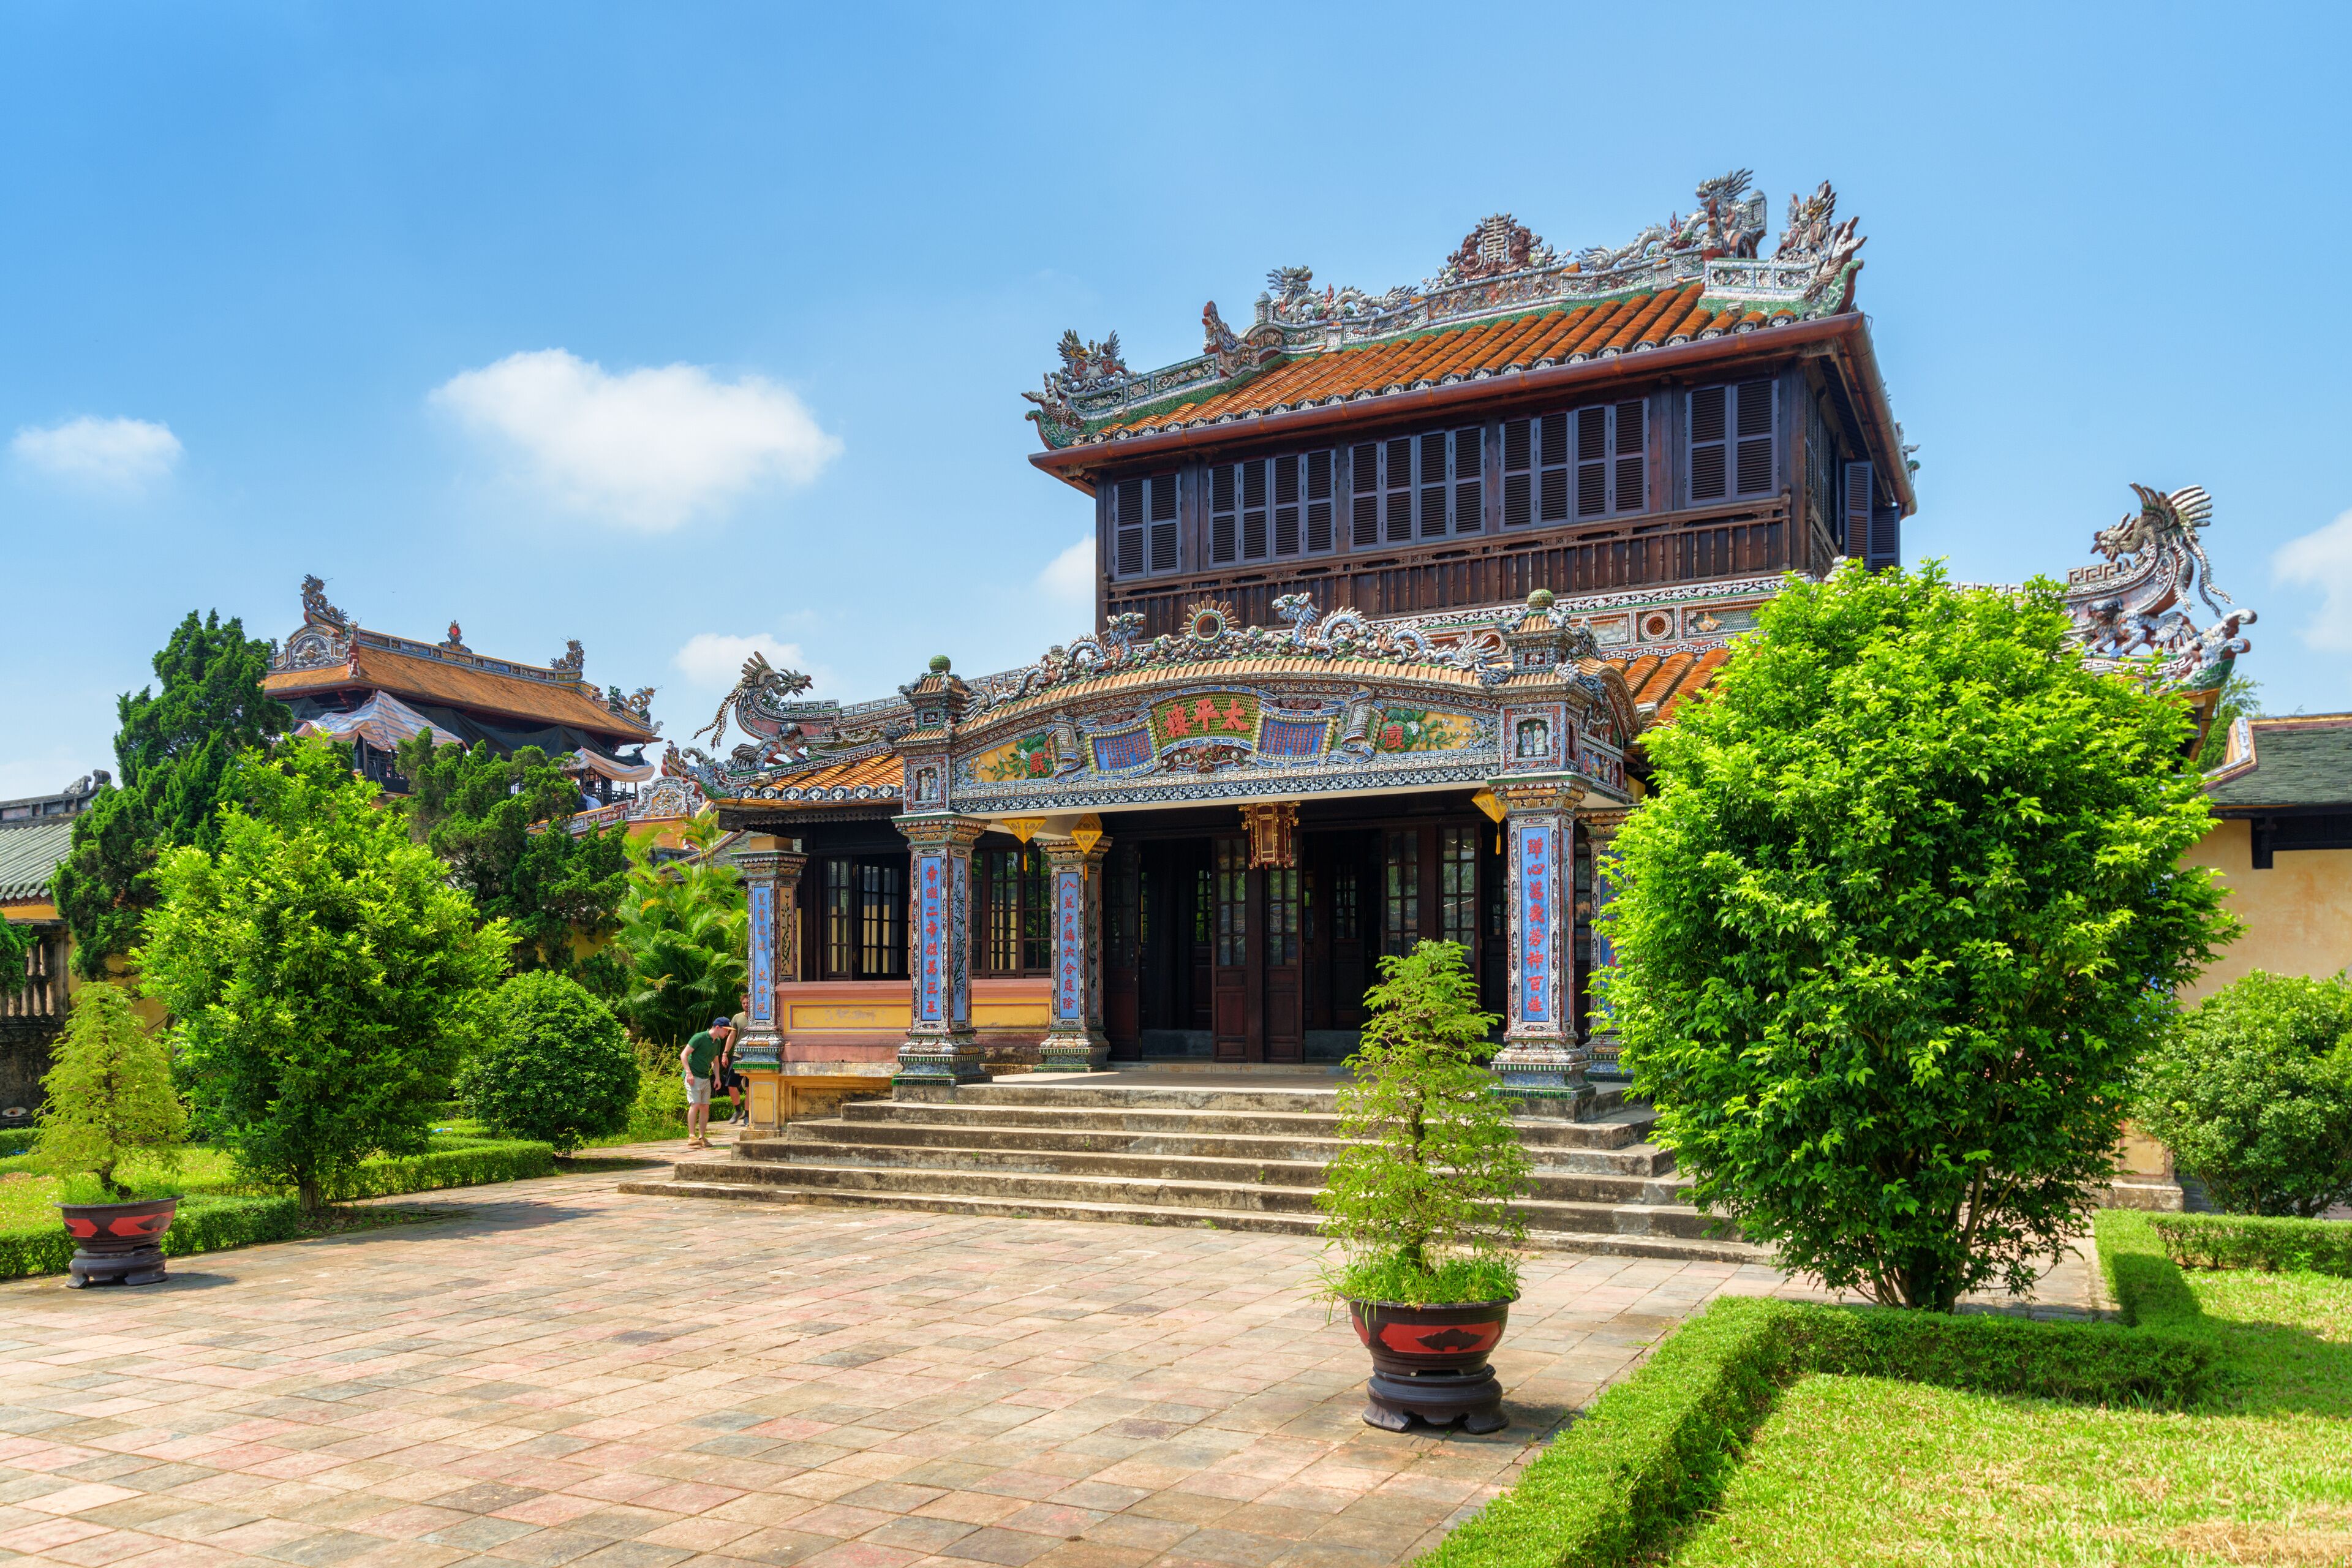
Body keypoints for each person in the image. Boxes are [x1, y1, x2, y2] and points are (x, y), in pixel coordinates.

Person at [679, 1016, 732, 1149]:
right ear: (718, 1028)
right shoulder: (700, 1037)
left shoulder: (717, 1042)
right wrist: (689, 1073)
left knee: (705, 1107)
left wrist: (718, 1078)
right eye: (726, 1030)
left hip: (705, 1077)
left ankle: (702, 1137)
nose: (727, 1034)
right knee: (695, 1104)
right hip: (693, 1076)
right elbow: (684, 1055)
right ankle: (691, 1136)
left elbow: (715, 1062)